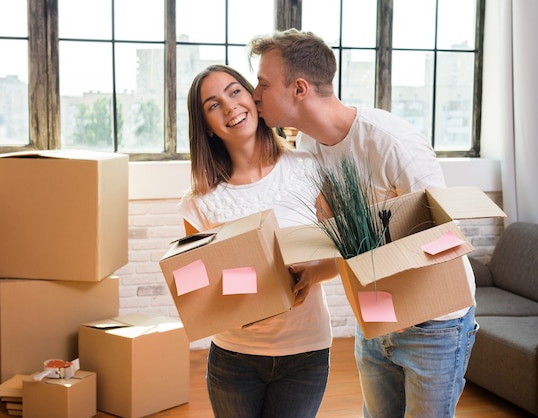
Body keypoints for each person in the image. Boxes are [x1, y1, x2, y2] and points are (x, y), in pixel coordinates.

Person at [247, 28, 479, 418]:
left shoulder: (391, 142)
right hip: (375, 311)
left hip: (432, 322)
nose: (254, 94)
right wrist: (316, 272)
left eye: (263, 83)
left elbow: (445, 239)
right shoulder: (309, 146)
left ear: (299, 89)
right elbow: (352, 239)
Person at [180, 64, 336, 418]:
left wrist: (313, 273)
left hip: (305, 351)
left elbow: (344, 252)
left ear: (253, 96)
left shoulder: (308, 167)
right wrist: (236, 295)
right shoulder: (200, 202)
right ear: (206, 125)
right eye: (213, 104)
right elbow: (194, 284)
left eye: (235, 91)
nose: (230, 106)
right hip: (234, 356)